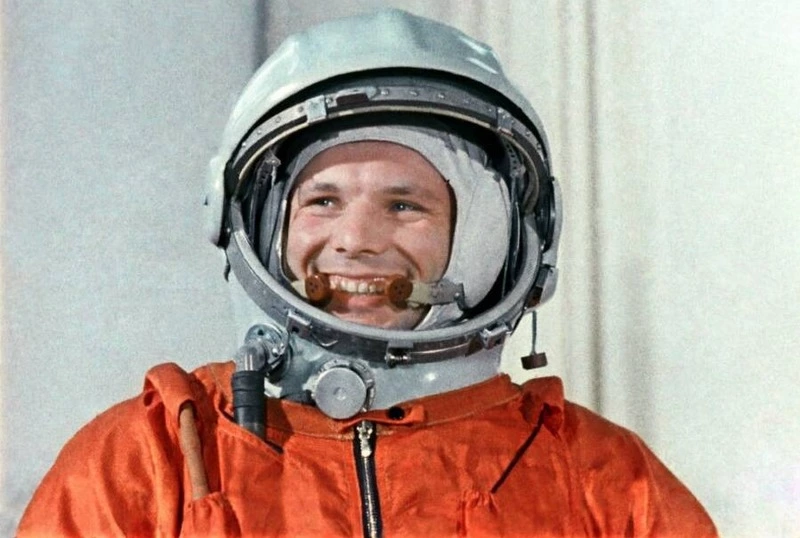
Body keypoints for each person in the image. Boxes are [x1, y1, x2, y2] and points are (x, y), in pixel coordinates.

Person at [17, 9, 717, 537]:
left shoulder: (603, 484)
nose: (354, 241)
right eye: (322, 201)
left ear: (480, 242)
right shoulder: (154, 462)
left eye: (404, 206)